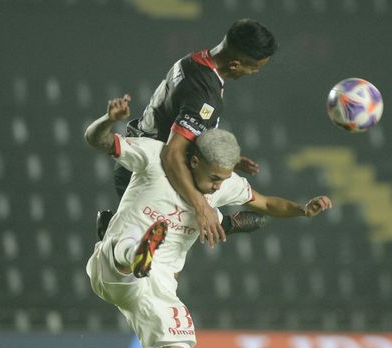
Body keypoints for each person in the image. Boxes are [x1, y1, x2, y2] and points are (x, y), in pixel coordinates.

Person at [84, 96, 332, 348]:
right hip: (116, 268)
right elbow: (96, 139)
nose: (219, 185)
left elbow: (265, 202)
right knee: (125, 254)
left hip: (157, 289)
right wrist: (108, 119)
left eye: (223, 179)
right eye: (215, 178)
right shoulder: (155, 156)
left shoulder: (224, 183)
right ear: (194, 160)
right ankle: (134, 251)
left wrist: (302, 209)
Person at [99, 18, 279, 246]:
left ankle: (114, 230)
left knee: (155, 251)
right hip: (149, 171)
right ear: (235, 64)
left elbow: (181, 129)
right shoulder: (205, 95)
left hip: (137, 158)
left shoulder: (194, 61)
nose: (255, 73)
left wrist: (217, 158)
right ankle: (224, 224)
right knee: (162, 250)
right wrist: (202, 207)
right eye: (255, 67)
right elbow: (172, 155)